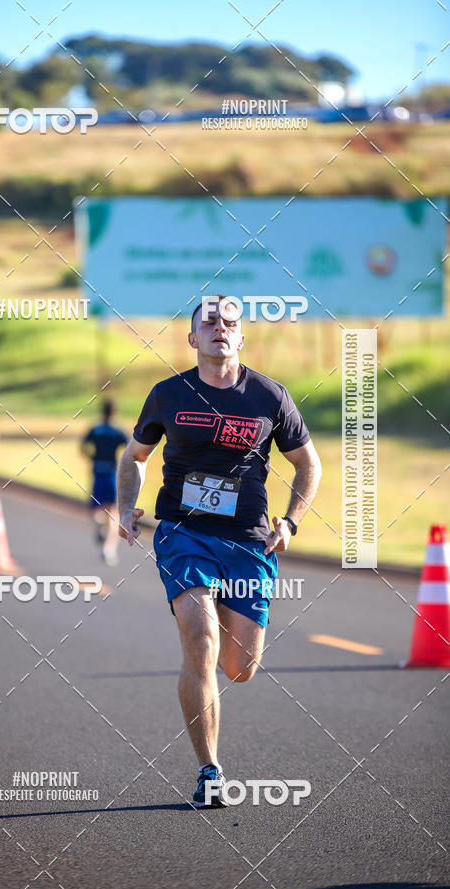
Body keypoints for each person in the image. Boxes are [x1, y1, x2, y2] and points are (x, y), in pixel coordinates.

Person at [117, 296, 321, 808]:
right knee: (200, 638)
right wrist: (126, 507)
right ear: (192, 339)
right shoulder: (168, 394)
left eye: (229, 322)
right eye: (209, 322)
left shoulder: (270, 396)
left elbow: (308, 464)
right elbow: (135, 457)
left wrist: (291, 520)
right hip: (183, 534)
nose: (220, 328)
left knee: (241, 666)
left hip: (249, 541)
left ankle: (220, 699)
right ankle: (210, 771)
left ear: (241, 338)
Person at [81, 399, 128, 566]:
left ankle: (99, 523)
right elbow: (131, 448)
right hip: (111, 473)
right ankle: (109, 549)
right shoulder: (117, 431)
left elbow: (83, 446)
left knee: (95, 508)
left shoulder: (95, 429)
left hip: (97, 472)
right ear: (114, 412)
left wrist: (91, 457)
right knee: (113, 511)